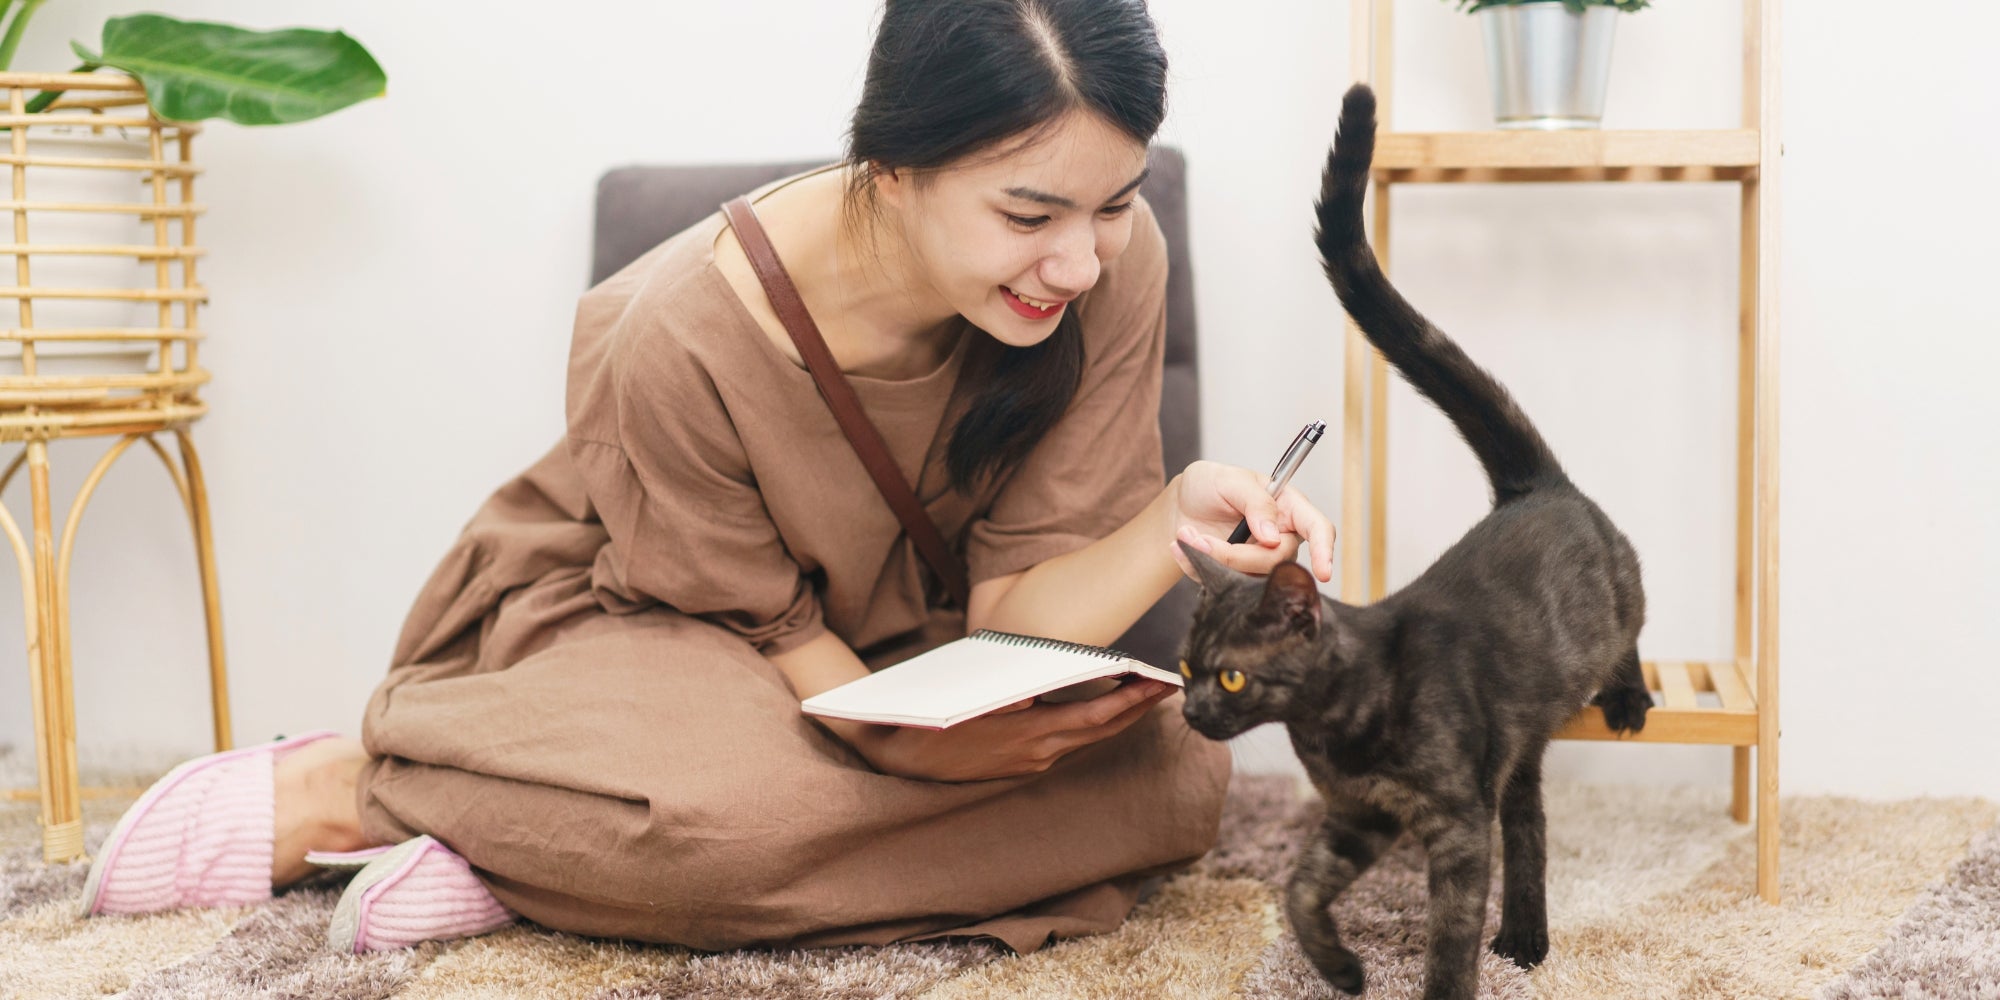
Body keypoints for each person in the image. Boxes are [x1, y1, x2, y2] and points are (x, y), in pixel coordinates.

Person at [79, 0, 1334, 956]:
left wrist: (1167, 524)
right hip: (658, 622)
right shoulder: (673, 327)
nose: (1076, 260)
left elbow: (1010, 619)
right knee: (726, 830)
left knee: (1177, 782)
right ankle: (366, 779)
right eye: (1026, 215)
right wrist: (904, 760)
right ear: (890, 168)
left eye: (1111, 203)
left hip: (923, 652)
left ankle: (538, 846)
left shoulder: (1112, 261)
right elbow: (782, 643)